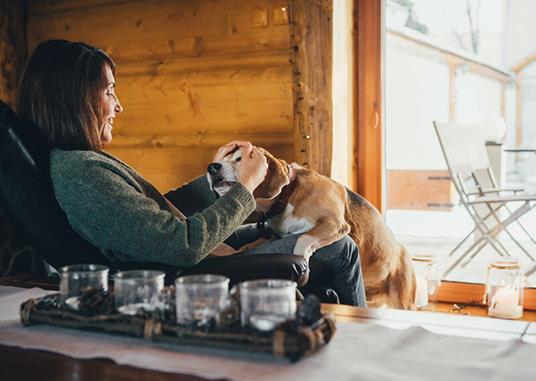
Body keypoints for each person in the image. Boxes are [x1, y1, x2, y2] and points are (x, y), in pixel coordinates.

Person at [17, 39, 367, 307]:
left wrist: (216, 179)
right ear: (74, 99)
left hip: (200, 255)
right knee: (343, 248)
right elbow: (182, 245)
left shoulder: (81, 163)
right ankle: (364, 341)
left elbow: (154, 215)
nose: (119, 105)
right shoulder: (81, 174)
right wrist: (244, 188)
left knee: (304, 236)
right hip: (196, 271)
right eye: (109, 91)